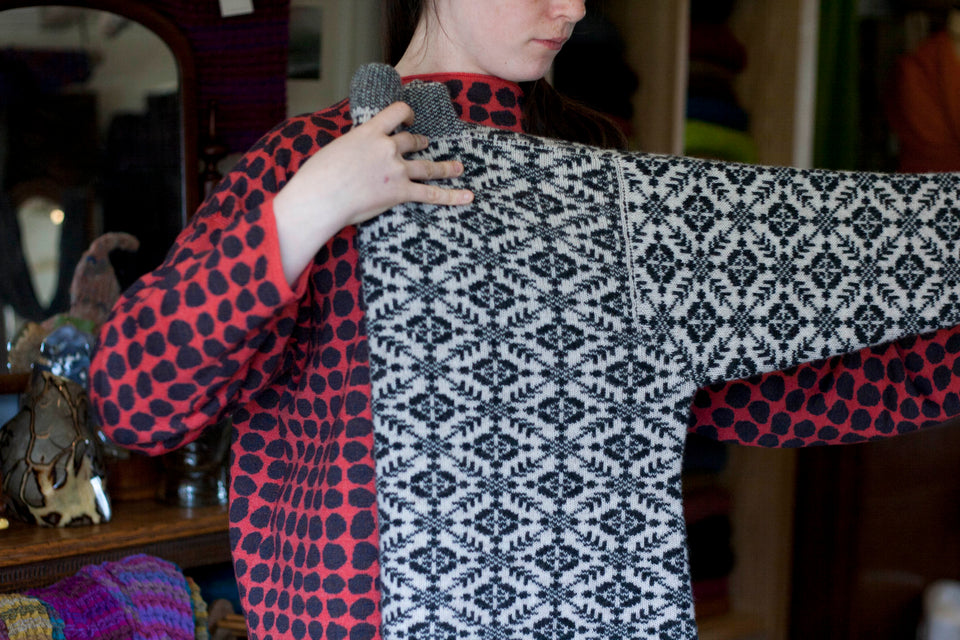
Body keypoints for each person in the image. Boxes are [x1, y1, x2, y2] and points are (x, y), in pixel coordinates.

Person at [88, 1, 960, 638]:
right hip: (353, 619)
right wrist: (308, 210)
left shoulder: (599, 184)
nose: (574, 8)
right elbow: (136, 402)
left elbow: (734, 399)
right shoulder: (298, 162)